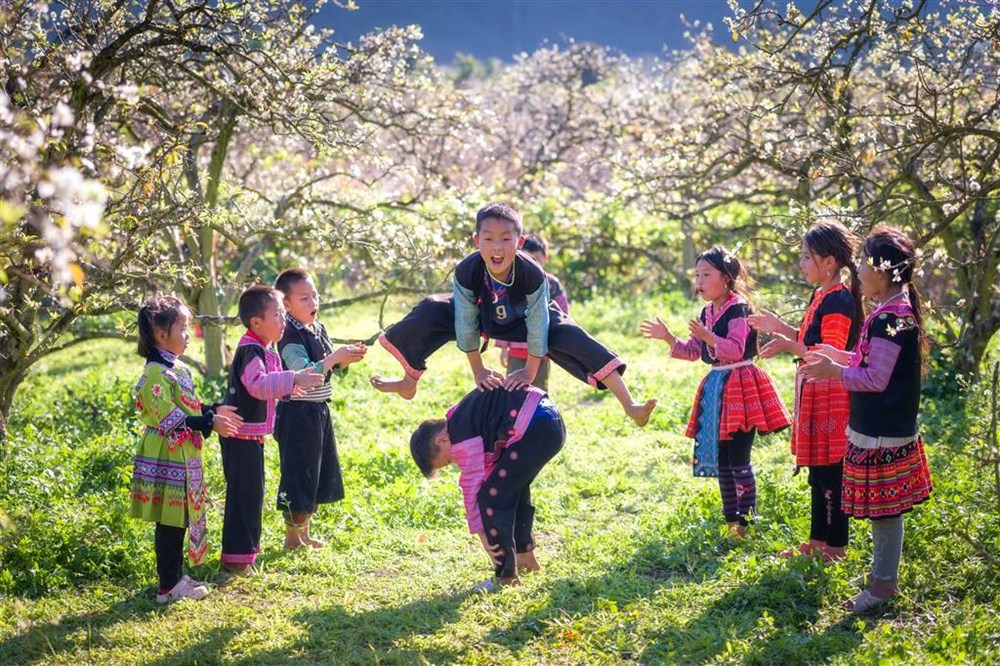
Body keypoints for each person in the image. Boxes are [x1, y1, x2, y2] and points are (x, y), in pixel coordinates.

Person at [371, 202, 656, 426]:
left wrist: (529, 371)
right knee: (432, 308)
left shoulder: (532, 272)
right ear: (477, 240)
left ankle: (630, 405)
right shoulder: (467, 270)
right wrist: (479, 370)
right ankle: (409, 381)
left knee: (571, 334)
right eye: (489, 238)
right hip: (482, 317)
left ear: (519, 243)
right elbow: (465, 321)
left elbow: (538, 322)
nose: (497, 247)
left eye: (506, 239)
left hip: (524, 320)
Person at [802, 226, 932, 612]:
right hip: (879, 427)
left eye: (862, 263)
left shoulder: (893, 318)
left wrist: (834, 372)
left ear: (881, 269)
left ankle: (882, 587)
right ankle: (880, 577)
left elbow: (875, 379)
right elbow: (870, 363)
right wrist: (838, 357)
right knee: (882, 511)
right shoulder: (889, 311)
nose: (857, 270)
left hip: (883, 430)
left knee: (885, 512)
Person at [641, 246, 791, 538]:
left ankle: (746, 522)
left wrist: (709, 337)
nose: (699, 281)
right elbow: (694, 351)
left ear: (726, 277)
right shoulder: (707, 311)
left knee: (739, 459)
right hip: (718, 388)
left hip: (742, 387)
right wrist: (668, 338)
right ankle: (731, 522)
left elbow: (735, 349)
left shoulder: (739, 308)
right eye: (697, 275)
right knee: (723, 461)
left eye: (706, 274)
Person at [749, 221, 864, 562]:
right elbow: (809, 339)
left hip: (832, 396)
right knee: (818, 471)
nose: (801, 264)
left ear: (829, 263)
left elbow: (829, 353)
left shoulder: (839, 300)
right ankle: (817, 544)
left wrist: (789, 345)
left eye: (806, 257)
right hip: (816, 392)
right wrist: (781, 329)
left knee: (832, 472)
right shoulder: (821, 295)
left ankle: (836, 548)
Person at [130, 295, 243, 603]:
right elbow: (172, 420)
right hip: (167, 453)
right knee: (170, 519)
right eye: (182, 328)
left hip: (181, 453)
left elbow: (187, 406)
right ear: (160, 333)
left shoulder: (174, 367)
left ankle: (175, 576)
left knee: (179, 517)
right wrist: (209, 422)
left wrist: (212, 410)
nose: (188, 335)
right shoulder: (155, 373)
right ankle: (168, 586)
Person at [408, 384, 565, 588]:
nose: (454, 462)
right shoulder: (461, 418)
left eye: (447, 462)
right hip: (549, 422)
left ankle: (506, 577)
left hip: (536, 428)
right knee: (512, 488)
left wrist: (482, 533)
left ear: (442, 441)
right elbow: (489, 469)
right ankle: (526, 560)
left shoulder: (461, 439)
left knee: (491, 497)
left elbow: (472, 488)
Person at [219, 285, 324, 574]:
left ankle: (243, 556)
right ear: (256, 322)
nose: (283, 320)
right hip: (240, 436)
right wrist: (293, 379)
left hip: (249, 436)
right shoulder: (251, 350)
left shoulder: (261, 348)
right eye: (277, 314)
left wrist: (291, 386)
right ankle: (236, 560)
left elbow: (270, 383)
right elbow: (258, 385)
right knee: (244, 498)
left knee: (252, 496)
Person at [274, 268, 367, 550]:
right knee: (298, 472)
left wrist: (345, 359)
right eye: (304, 298)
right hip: (298, 413)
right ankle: (292, 538)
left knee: (314, 471)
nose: (313, 302)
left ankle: (304, 533)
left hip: (318, 410)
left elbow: (331, 369)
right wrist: (333, 358)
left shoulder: (318, 328)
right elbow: (304, 372)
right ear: (286, 304)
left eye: (315, 295)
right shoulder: (288, 335)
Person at [496, 233, 570, 392]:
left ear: (545, 257)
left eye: (536, 258)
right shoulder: (513, 283)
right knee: (513, 388)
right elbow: (506, 318)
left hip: (542, 350)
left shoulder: (552, 284)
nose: (532, 263)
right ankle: (515, 409)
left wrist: (557, 344)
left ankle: (537, 409)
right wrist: (503, 348)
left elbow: (562, 314)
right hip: (516, 349)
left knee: (539, 389)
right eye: (527, 259)